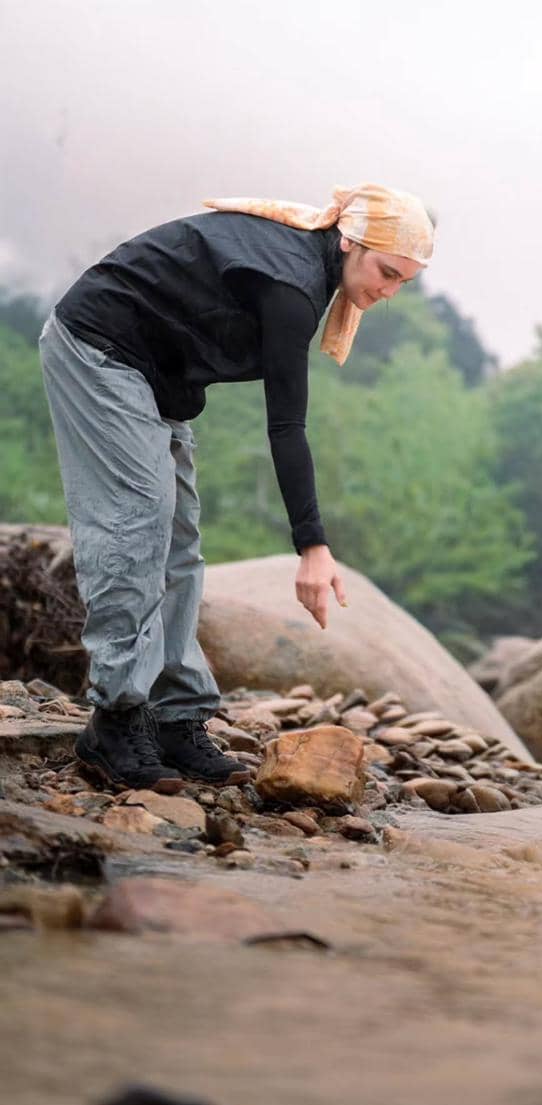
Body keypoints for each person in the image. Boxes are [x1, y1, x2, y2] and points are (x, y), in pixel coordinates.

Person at [39, 183, 434, 793]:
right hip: (98, 346)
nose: (388, 291)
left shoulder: (313, 269)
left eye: (403, 281)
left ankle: (176, 717)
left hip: (155, 376)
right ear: (351, 242)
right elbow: (286, 426)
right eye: (386, 272)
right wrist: (313, 546)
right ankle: (114, 721)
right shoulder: (289, 285)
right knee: (136, 524)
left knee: (179, 539)